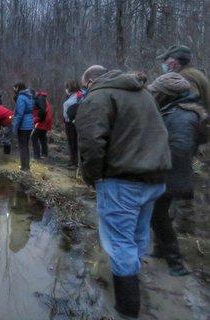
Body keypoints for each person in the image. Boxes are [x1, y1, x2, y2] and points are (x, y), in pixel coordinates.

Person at [75, 65, 171, 319]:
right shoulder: (143, 93)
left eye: (85, 86)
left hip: (122, 181)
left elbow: (91, 144)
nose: (85, 90)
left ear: (91, 81)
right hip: (154, 176)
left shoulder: (98, 96)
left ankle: (127, 309)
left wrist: (92, 176)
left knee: (120, 243)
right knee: (138, 235)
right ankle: (135, 284)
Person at [147, 73, 207, 276]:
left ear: (166, 95)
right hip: (168, 173)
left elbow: (179, 150)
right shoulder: (176, 111)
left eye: (156, 92)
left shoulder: (182, 116)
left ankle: (176, 264)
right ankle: (162, 252)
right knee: (159, 216)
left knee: (158, 216)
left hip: (169, 175)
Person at [157, 45, 210, 112]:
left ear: (173, 62)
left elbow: (190, 104)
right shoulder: (193, 72)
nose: (163, 63)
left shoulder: (185, 76)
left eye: (165, 60)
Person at [12, 82, 34, 171]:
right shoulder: (29, 96)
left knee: (22, 146)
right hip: (29, 124)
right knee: (26, 146)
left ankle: (24, 167)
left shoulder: (21, 97)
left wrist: (15, 126)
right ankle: (26, 166)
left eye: (15, 88)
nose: (14, 89)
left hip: (23, 125)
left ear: (18, 88)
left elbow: (19, 114)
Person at [63, 81, 83, 167]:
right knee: (71, 142)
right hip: (68, 122)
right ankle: (73, 161)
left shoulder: (79, 96)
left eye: (67, 87)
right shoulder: (70, 96)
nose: (65, 90)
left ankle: (75, 162)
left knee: (74, 143)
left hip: (73, 123)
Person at [31, 90, 53, 159]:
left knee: (34, 137)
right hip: (46, 120)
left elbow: (42, 111)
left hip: (43, 121)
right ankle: (44, 154)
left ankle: (37, 156)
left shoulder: (39, 98)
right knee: (42, 137)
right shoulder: (42, 98)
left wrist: (36, 120)